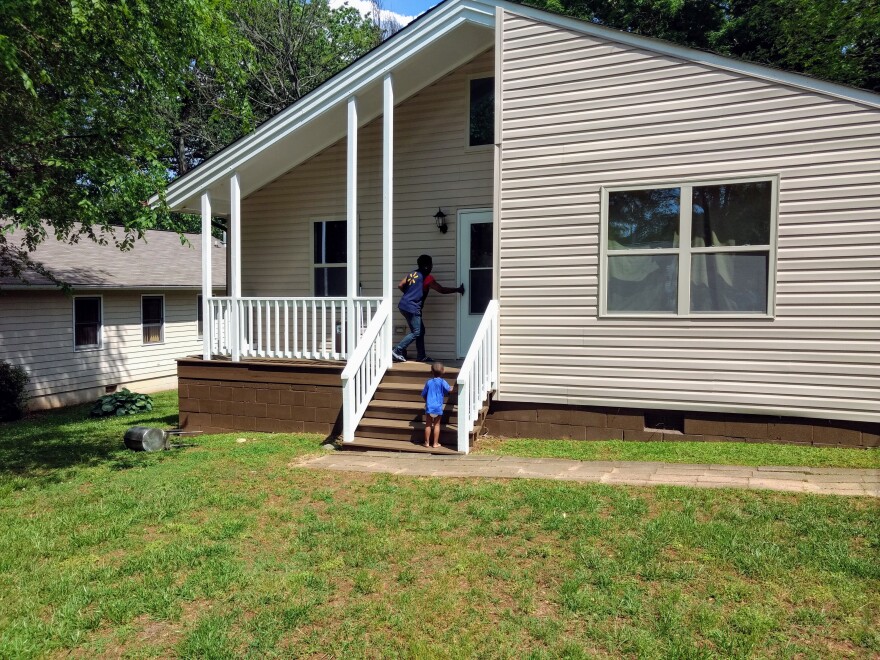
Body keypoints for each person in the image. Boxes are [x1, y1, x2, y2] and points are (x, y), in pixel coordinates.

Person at [392, 254, 463, 363]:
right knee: (417, 331)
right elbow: (442, 290)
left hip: (403, 305)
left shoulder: (412, 274)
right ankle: (397, 350)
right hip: (412, 307)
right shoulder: (427, 277)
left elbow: (400, 285)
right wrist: (458, 289)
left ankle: (421, 356)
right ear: (426, 266)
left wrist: (409, 294)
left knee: (420, 330)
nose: (431, 267)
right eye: (430, 265)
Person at [421, 361, 452, 448]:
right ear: (443, 371)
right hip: (438, 407)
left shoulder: (429, 382)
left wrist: (426, 401)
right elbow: (449, 390)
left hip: (429, 407)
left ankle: (426, 443)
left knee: (428, 425)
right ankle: (435, 443)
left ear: (431, 371)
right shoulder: (442, 382)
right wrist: (453, 389)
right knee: (437, 425)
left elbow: (424, 394)